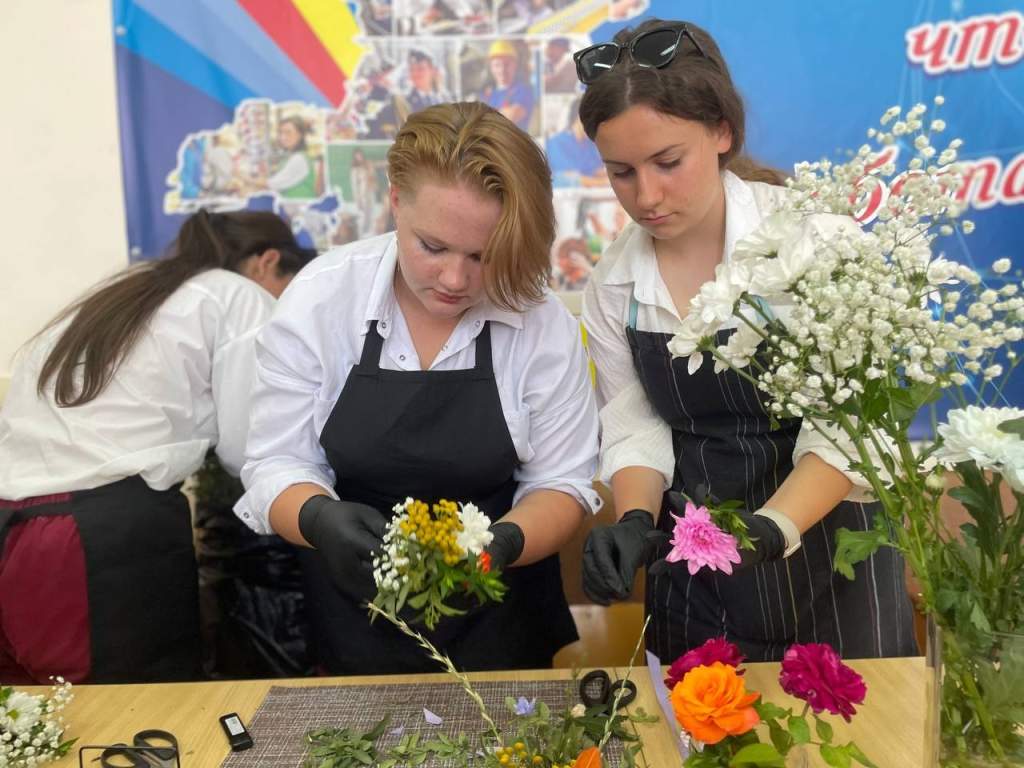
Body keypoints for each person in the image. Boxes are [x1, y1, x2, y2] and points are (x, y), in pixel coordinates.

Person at [575, 20, 919, 663]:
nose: (645, 196)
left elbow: (852, 427)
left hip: (833, 562)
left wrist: (767, 530)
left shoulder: (818, 246)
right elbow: (637, 422)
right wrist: (632, 522)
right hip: (695, 574)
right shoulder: (613, 284)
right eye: (620, 172)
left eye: (667, 162)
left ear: (723, 133)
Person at [236, 101, 601, 675]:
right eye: (432, 247)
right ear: (395, 199)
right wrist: (316, 519)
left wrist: (503, 543)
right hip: (354, 615)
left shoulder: (539, 320)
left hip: (503, 617)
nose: (455, 280)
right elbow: (275, 461)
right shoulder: (322, 300)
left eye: (484, 256)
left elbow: (562, 481)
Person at [0, 210, 315, 684]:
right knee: (132, 725)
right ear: (266, 263)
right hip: (96, 540)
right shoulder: (240, 296)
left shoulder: (127, 289)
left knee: (36, 728)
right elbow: (251, 446)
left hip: (14, 525)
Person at [547, 96, 607, 188]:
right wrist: (604, 183)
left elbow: (597, 170)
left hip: (590, 195)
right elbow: (571, 177)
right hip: (564, 198)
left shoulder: (590, 145)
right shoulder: (556, 143)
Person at [482, 40, 535, 131]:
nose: (502, 70)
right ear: (491, 68)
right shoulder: (486, 94)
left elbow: (511, 117)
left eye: (507, 64)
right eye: (497, 65)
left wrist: (481, 117)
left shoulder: (524, 90)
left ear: (515, 65)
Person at [267, 116, 318, 199]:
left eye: (288, 132)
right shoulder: (292, 155)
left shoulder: (299, 159)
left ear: (300, 135)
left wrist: (244, 177)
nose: (282, 137)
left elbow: (272, 184)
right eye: (280, 133)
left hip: (301, 206)